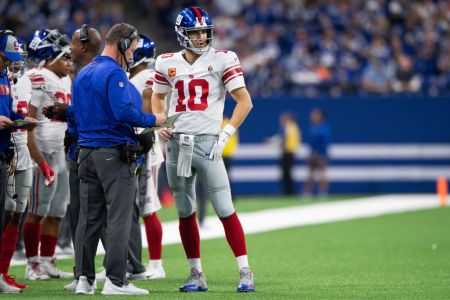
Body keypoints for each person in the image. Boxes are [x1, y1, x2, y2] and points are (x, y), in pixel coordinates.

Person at [152, 7, 255, 293]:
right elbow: (157, 99)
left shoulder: (223, 58)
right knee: (185, 211)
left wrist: (226, 134)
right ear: (182, 34)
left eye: (203, 32)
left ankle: (245, 271)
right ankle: (196, 272)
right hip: (176, 144)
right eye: (195, 32)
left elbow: (244, 101)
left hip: (209, 143)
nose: (200, 37)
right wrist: (160, 121)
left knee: (225, 208)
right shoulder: (166, 62)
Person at [72, 23, 164, 295]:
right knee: (119, 219)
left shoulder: (84, 72)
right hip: (112, 153)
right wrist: (155, 120)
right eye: (133, 49)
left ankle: (84, 280)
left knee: (88, 220)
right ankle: (115, 280)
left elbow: (75, 115)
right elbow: (125, 113)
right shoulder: (114, 73)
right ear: (123, 45)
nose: (134, 56)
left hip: (85, 154)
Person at [41, 25, 103, 291]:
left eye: (76, 45)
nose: (71, 51)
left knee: (94, 216)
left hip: (91, 151)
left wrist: (66, 112)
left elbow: (93, 113)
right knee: (79, 215)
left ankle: (108, 273)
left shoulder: (95, 73)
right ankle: (82, 274)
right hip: (76, 150)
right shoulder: (80, 75)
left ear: (85, 46)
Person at [23, 28, 73, 281]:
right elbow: (28, 122)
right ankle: (32, 264)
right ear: (48, 56)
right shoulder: (37, 76)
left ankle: (48, 260)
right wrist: (39, 161)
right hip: (41, 154)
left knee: (57, 211)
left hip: (62, 152)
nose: (69, 62)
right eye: (64, 57)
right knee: (37, 210)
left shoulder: (65, 80)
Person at [0, 29, 36, 293]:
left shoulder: (4, 76)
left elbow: (7, 112)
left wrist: (19, 121)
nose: (7, 63)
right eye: (4, 58)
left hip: (3, 151)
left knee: (6, 215)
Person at [129, 34, 166, 279]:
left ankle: (156, 263)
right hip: (142, 146)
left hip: (145, 146)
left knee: (147, 206)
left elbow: (143, 114)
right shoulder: (145, 76)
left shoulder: (143, 78)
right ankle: (133, 262)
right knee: (138, 207)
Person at [303, 108, 331, 199]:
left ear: (320, 116)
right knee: (310, 174)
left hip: (321, 154)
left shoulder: (324, 127)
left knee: (323, 173)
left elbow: (324, 142)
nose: (313, 116)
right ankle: (307, 193)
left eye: (315, 114)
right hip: (313, 154)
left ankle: (323, 193)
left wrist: (322, 153)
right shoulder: (313, 127)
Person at [279, 113, 301, 196]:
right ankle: (289, 192)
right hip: (290, 152)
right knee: (288, 173)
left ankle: (288, 192)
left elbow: (282, 138)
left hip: (288, 152)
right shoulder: (295, 127)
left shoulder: (288, 127)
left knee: (286, 174)